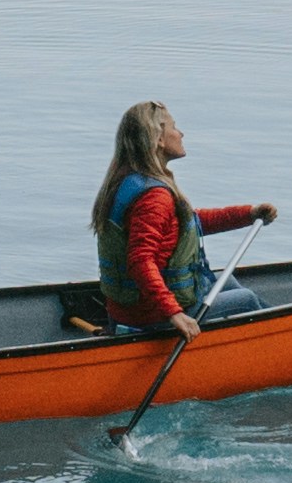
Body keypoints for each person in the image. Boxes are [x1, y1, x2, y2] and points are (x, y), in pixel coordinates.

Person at [81, 99, 272, 331]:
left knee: (224, 281)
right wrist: (174, 314)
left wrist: (249, 214)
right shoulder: (154, 197)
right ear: (159, 140)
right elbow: (140, 260)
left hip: (131, 309)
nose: (181, 133)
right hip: (151, 316)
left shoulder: (128, 180)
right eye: (174, 127)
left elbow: (188, 223)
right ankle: (283, 351)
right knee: (247, 300)